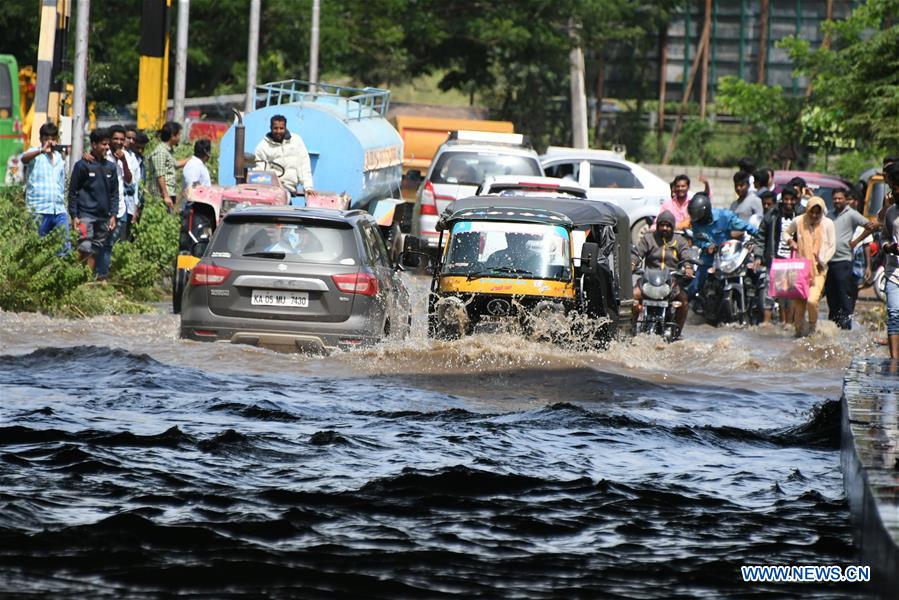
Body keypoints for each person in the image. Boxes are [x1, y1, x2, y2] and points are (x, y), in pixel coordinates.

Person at [686, 193, 757, 301]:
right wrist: (707, 246)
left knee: (751, 272)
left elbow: (745, 226)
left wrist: (759, 235)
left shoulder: (725, 216)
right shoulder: (695, 222)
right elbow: (697, 240)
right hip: (709, 257)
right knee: (695, 286)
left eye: (700, 218)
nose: (698, 221)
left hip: (729, 256)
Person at [825, 189, 879, 329]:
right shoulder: (829, 215)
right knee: (831, 295)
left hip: (844, 260)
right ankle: (833, 325)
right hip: (828, 261)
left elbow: (870, 226)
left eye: (840, 198)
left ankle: (846, 325)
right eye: (835, 198)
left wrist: (856, 241)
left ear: (845, 199)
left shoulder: (851, 214)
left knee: (844, 294)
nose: (837, 201)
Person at [632, 210, 692, 335]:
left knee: (684, 301)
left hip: (670, 282)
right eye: (662, 225)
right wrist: (632, 264)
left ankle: (677, 332)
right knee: (633, 296)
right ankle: (630, 329)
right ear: (657, 225)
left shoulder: (680, 241)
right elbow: (637, 253)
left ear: (673, 226)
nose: (665, 228)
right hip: (648, 280)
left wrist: (688, 267)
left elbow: (687, 256)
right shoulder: (648, 239)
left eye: (668, 225)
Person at [68, 128, 119, 274]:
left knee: (95, 249)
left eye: (108, 144)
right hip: (85, 216)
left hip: (103, 217)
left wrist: (113, 214)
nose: (107, 147)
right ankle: (75, 278)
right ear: (94, 144)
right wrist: (74, 215)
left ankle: (86, 281)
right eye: (103, 144)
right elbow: (73, 192)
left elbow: (114, 193)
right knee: (84, 247)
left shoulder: (111, 167)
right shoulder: (82, 165)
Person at [785, 196, 835, 337]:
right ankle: (799, 333)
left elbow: (832, 247)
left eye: (817, 213)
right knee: (799, 304)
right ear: (807, 210)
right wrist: (790, 241)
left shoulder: (828, 224)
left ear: (821, 212)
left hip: (819, 269)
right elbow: (786, 232)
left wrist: (823, 261)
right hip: (800, 268)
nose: (814, 215)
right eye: (811, 212)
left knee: (812, 300)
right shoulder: (799, 221)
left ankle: (812, 328)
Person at [757, 186, 804, 324]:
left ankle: (788, 324)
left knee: (789, 295)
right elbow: (761, 236)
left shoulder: (802, 215)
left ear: (796, 200)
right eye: (786, 199)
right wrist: (759, 256)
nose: (788, 202)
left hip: (794, 261)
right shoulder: (772, 215)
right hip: (774, 259)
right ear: (782, 200)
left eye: (791, 199)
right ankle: (766, 323)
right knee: (769, 292)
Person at [93, 125, 133, 280]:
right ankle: (92, 275)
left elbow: (129, 180)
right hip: (101, 207)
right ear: (109, 140)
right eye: (115, 138)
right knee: (96, 243)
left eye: (122, 139)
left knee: (109, 244)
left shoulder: (126, 156)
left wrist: (123, 161)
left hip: (120, 208)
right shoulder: (103, 154)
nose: (119, 142)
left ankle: (102, 276)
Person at [20, 122, 68, 248]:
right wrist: (41, 150)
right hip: (38, 209)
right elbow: (24, 159)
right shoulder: (35, 153)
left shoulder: (59, 158)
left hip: (58, 210)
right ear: (41, 139)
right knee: (36, 247)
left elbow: (61, 182)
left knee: (63, 247)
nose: (50, 142)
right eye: (46, 139)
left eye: (52, 139)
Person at [254, 114, 314, 197]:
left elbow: (304, 165)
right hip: (270, 190)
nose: (278, 131)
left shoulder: (296, 141)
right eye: (275, 128)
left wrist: (308, 187)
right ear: (271, 128)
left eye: (281, 128)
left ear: (285, 128)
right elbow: (259, 170)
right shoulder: (262, 146)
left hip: (289, 189)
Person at [147, 121, 188, 212]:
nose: (179, 137)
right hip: (162, 195)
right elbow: (160, 175)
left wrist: (192, 158)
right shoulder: (161, 152)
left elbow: (176, 164)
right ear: (173, 136)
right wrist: (165, 196)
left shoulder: (167, 151)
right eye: (178, 135)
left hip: (169, 193)